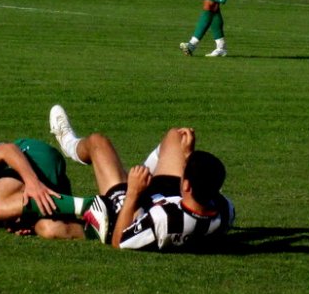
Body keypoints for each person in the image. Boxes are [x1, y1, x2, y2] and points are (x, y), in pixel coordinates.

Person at [50, 105, 235, 250]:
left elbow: (119, 241)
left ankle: (68, 142)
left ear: (186, 185)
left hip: (134, 203)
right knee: (175, 136)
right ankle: (144, 171)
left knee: (98, 143)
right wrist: (187, 156)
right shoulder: (225, 210)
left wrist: (133, 192)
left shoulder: (161, 221)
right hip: (172, 196)